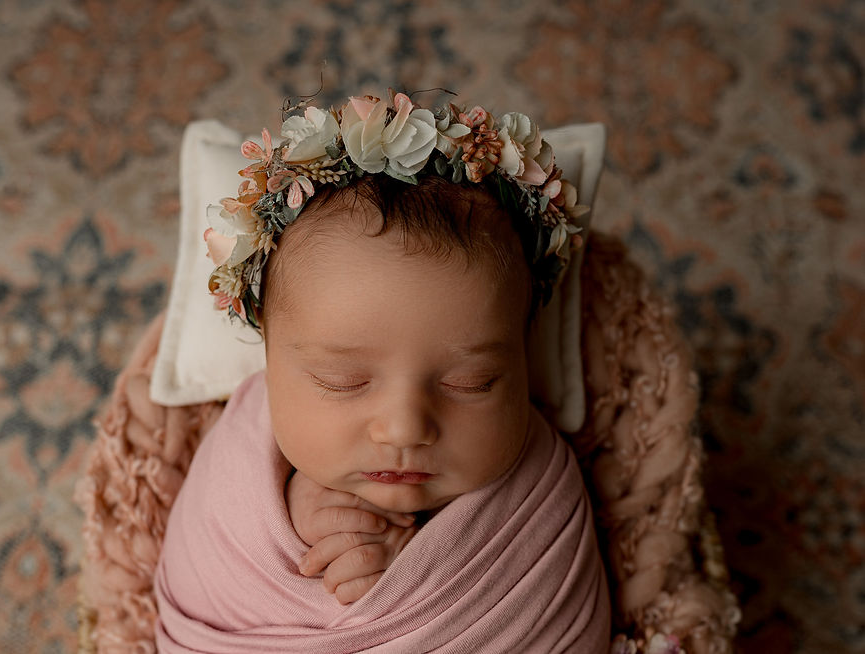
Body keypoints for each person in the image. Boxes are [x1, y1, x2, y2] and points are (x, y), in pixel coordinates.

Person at [154, 93, 610, 653]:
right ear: (268, 358)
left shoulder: (539, 499)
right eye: (341, 381)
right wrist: (290, 518)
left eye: (471, 382)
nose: (403, 429)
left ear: (523, 353)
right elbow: (206, 574)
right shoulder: (236, 463)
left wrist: (420, 569)